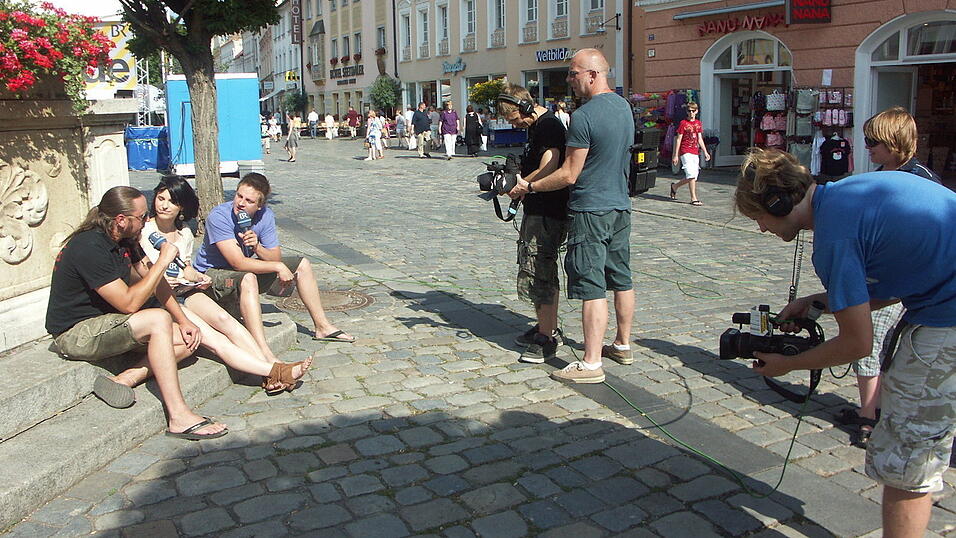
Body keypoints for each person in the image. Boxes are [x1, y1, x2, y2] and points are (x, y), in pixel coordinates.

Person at [734, 148, 956, 538]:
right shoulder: (847, 195)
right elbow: (895, 281)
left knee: (906, 460)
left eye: (760, 218)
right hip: (941, 297)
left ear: (778, 201)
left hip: (946, 317)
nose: (762, 229)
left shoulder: (833, 237)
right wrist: (819, 301)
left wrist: (788, 366)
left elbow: (857, 345)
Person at [46, 186, 228, 440]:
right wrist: (164, 260)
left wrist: (184, 319)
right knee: (158, 319)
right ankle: (178, 416)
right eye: (142, 216)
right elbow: (129, 304)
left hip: (108, 323)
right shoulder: (89, 246)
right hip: (76, 332)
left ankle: (126, 378)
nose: (147, 220)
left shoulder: (125, 238)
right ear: (121, 220)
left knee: (189, 340)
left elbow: (153, 280)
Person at [509, 49, 636, 384]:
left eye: (573, 73)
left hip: (591, 209)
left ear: (593, 74)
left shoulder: (585, 116)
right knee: (621, 278)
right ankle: (622, 344)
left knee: (591, 282)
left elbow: (568, 174)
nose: (569, 80)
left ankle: (591, 363)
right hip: (620, 205)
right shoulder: (624, 107)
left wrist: (529, 188)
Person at [139, 176, 312, 393]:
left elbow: (186, 270)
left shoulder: (184, 233)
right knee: (218, 339)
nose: (164, 205)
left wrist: (198, 278)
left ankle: (272, 363)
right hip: (162, 296)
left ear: (181, 207)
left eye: (172, 202)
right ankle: (276, 372)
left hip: (186, 291)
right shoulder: (143, 232)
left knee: (226, 321)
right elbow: (141, 273)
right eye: (160, 198)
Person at [835, 106, 945, 447]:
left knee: (878, 344)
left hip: (907, 283)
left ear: (894, 142)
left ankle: (873, 416)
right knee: (873, 344)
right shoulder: (880, 177)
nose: (867, 147)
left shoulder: (922, 180)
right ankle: (872, 409)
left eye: (873, 141)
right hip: (878, 276)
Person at [193, 173, 354, 360]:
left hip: (242, 272)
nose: (241, 203)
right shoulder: (219, 216)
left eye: (249, 200)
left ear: (259, 205)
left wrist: (257, 247)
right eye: (239, 196)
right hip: (211, 276)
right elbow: (238, 263)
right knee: (248, 277)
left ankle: (322, 326)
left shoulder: (265, 215)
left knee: (302, 265)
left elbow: (274, 256)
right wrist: (277, 267)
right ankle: (262, 350)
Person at [499, 83, 569, 364]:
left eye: (516, 119)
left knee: (540, 268)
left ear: (525, 106)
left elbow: (551, 164)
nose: (516, 125)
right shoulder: (538, 126)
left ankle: (548, 337)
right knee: (536, 266)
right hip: (538, 207)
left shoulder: (548, 125)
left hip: (548, 210)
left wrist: (525, 185)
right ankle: (545, 326)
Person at [670, 102, 711, 206]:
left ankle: (675, 186)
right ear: (687, 112)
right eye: (689, 111)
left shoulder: (698, 123)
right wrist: (676, 155)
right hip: (685, 151)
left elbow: (699, 138)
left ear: (696, 111)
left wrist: (705, 151)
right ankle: (694, 198)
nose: (691, 113)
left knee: (693, 176)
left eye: (693, 111)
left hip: (695, 151)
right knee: (691, 174)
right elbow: (679, 139)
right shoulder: (683, 123)